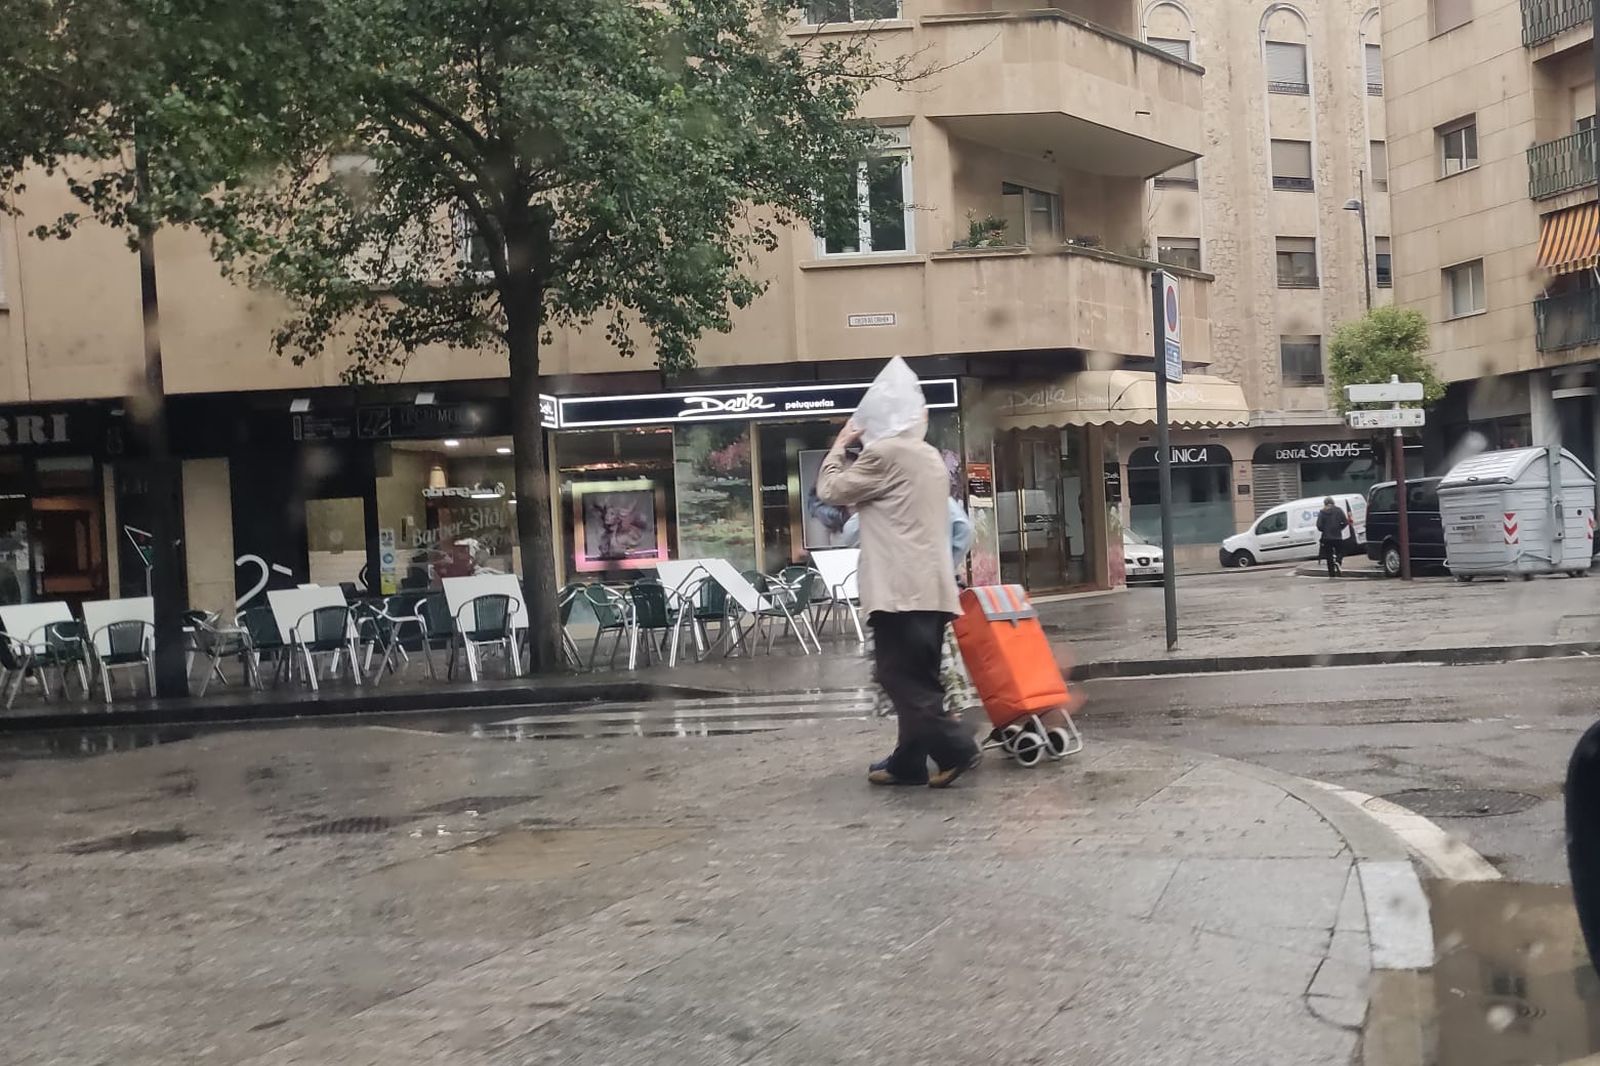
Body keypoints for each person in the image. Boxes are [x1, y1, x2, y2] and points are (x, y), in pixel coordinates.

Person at [817, 417, 981, 789]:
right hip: (933, 591)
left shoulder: (884, 454)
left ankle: (956, 746)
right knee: (921, 681)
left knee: (897, 677)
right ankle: (908, 762)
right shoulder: (927, 456)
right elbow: (960, 526)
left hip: (900, 593)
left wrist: (840, 445)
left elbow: (829, 489)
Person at [841, 495, 977, 718]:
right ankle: (947, 724)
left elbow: (851, 535)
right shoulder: (935, 494)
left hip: (893, 600)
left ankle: (937, 732)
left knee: (900, 677)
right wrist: (945, 566)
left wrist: (862, 506)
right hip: (933, 595)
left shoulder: (882, 498)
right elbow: (964, 530)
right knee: (940, 670)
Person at [1316, 497, 1348, 578]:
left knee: (1329, 556)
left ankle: (1332, 574)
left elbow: (1319, 525)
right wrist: (1340, 528)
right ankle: (1338, 561)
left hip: (1326, 538)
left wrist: (1324, 529)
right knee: (1340, 551)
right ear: (1333, 502)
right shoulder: (1339, 510)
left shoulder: (1322, 512)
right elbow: (1345, 522)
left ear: (1325, 503)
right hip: (1337, 536)